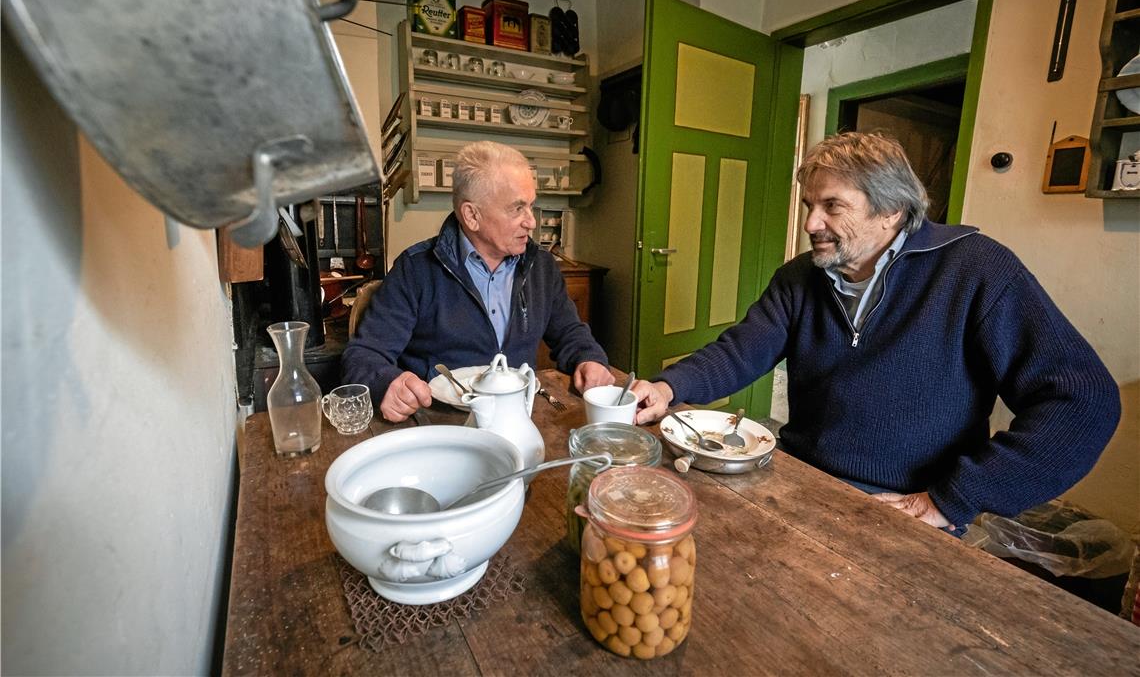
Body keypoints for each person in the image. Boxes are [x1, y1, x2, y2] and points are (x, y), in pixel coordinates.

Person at [633, 132, 1120, 532]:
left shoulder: (977, 270)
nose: (810, 222)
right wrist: (669, 386)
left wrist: (953, 499)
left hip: (906, 509)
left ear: (891, 211)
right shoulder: (801, 277)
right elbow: (742, 350)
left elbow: (1084, 402)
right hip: (799, 481)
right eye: (809, 204)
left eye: (831, 206)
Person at [343, 140, 613, 422]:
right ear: (472, 215)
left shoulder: (541, 267)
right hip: (440, 423)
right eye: (517, 208)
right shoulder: (416, 269)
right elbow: (364, 354)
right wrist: (387, 383)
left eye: (531, 206)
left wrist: (588, 358)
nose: (531, 222)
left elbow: (569, 332)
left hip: (517, 419)